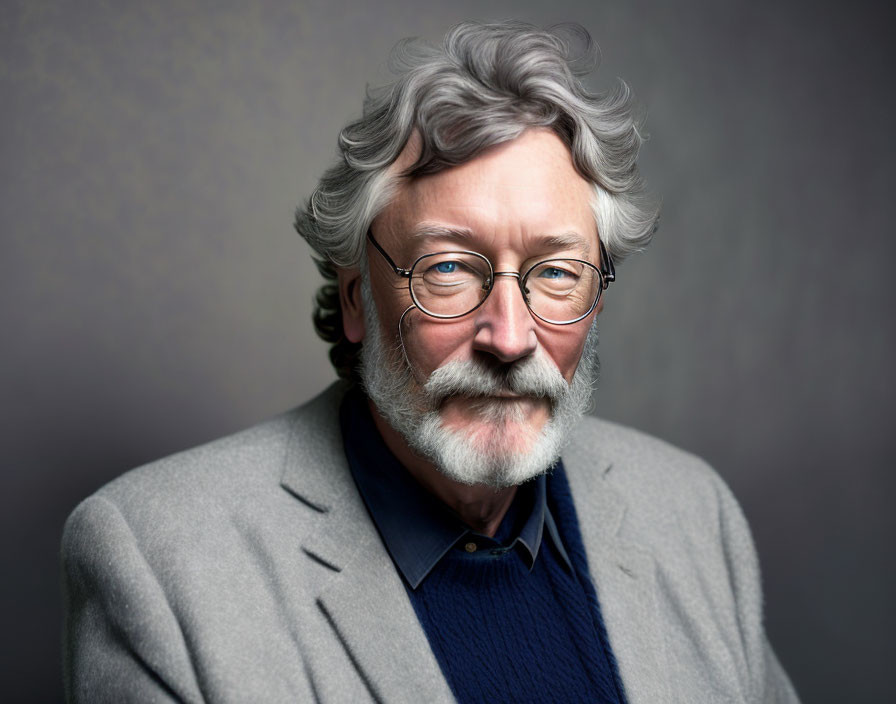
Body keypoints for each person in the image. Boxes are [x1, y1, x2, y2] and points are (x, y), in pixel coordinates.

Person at [61, 21, 800, 704]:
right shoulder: (157, 563)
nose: (509, 339)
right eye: (447, 269)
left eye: (554, 273)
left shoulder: (693, 515)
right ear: (357, 300)